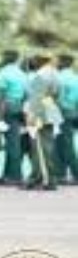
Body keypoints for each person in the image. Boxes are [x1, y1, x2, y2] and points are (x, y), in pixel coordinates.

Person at [24, 55, 62, 190]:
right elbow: (57, 94)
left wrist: (32, 115)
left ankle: (45, 179)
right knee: (47, 146)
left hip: (41, 112)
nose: (33, 61)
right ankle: (41, 177)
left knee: (40, 147)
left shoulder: (40, 75)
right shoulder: (55, 73)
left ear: (39, 60)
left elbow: (36, 98)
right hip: (50, 108)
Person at [0, 50, 29, 185]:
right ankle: (7, 174)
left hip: (8, 109)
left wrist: (0, 118)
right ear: (17, 59)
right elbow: (26, 95)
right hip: (20, 108)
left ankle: (15, 176)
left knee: (12, 144)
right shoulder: (22, 74)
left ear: (5, 57)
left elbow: (2, 97)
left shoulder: (3, 73)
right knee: (15, 141)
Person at [55, 54, 78, 184]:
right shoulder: (75, 77)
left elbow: (57, 99)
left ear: (63, 62)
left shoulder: (59, 78)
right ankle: (61, 174)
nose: (56, 63)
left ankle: (75, 174)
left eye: (58, 61)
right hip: (73, 112)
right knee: (62, 143)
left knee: (65, 145)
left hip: (61, 113)